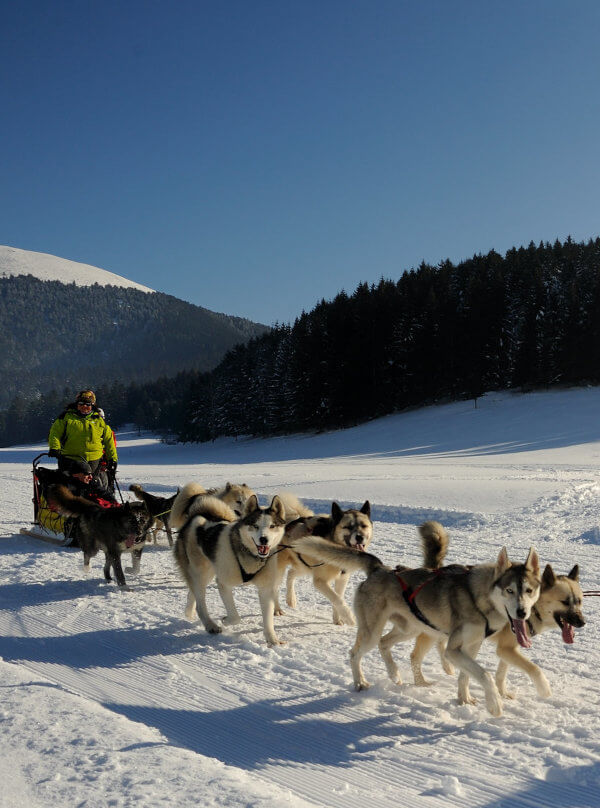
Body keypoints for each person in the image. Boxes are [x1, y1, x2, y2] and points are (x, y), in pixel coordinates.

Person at [36, 457, 118, 545]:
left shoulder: (90, 483)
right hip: (64, 517)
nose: (90, 477)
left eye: (91, 474)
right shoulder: (66, 486)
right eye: (87, 474)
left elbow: (103, 492)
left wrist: (114, 502)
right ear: (76, 475)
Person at [48, 390, 118, 479]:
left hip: (94, 460)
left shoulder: (99, 420)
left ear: (92, 405)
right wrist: (54, 447)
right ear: (77, 404)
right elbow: (55, 433)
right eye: (81, 403)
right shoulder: (66, 418)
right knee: (71, 486)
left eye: (88, 404)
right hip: (70, 459)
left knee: (92, 487)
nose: (84, 406)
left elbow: (109, 441)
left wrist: (112, 459)